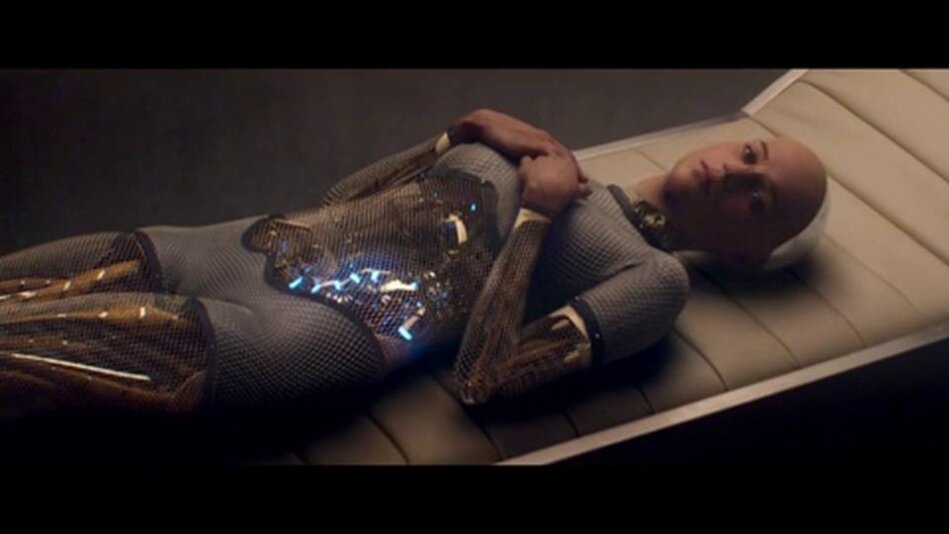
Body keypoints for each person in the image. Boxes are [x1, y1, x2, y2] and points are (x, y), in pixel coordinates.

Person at [0, 108, 828, 419]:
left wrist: (536, 218)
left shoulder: (655, 281)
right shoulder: (553, 157)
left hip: (311, 333)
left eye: (758, 199)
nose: (736, 174)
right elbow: (338, 199)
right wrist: (454, 137)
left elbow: (486, 379)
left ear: (744, 251)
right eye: (750, 155)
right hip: (238, 242)